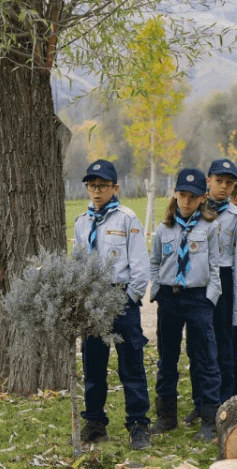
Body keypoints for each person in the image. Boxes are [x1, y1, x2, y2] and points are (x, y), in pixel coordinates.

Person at [72, 159, 152, 449]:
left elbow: (140, 266)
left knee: (131, 363)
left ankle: (138, 424)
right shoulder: (82, 222)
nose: (96, 191)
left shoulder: (127, 219)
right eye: (92, 186)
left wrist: (128, 298)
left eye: (103, 186)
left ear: (115, 188)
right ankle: (94, 421)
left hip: (120, 298)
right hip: (92, 299)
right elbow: (77, 261)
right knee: (93, 362)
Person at [148, 169, 223, 441]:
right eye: (182, 195)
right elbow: (155, 262)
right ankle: (166, 416)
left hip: (198, 298)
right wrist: (157, 290)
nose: (187, 202)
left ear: (203, 198)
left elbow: (215, 266)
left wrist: (209, 298)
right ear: (175, 195)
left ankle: (209, 417)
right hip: (169, 297)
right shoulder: (164, 228)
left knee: (204, 358)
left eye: (193, 197)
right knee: (167, 357)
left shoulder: (210, 228)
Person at [202, 159, 237, 413]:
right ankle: (202, 400)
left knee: (223, 341)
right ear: (208, 180)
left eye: (229, 183)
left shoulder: (236, 217)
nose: (223, 187)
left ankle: (225, 400)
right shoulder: (195, 208)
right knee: (200, 341)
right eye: (218, 181)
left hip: (224, 278)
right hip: (198, 279)